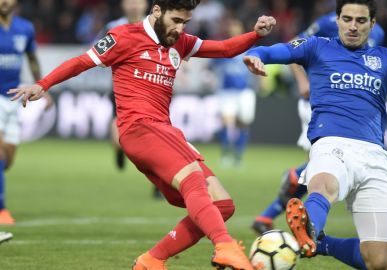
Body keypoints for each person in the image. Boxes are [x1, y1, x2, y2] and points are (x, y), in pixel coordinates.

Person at [8, 1, 276, 269]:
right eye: (176, 20)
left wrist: (255, 35)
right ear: (157, 11)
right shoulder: (123, 37)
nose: (180, 28)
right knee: (193, 179)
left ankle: (152, 260)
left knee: (223, 204)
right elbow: (82, 61)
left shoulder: (180, 42)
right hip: (139, 127)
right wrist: (43, 84)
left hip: (164, 130)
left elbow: (225, 49)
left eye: (186, 22)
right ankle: (225, 246)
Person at [243, 0, 387, 269]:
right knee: (323, 185)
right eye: (347, 19)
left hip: (375, 157)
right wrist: (258, 56)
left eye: (360, 20)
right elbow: (276, 51)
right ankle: (308, 230)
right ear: (337, 20)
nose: (353, 26)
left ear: (372, 24)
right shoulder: (316, 47)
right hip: (331, 143)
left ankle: (319, 243)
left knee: (379, 262)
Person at [252, 7, 385, 235]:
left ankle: (272, 210)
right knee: (325, 164)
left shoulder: (378, 33)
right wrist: (303, 81)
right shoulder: (327, 23)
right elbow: (295, 43)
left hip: (351, 106)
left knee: (325, 166)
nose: (353, 24)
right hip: (319, 102)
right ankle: (299, 204)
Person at [0, 0, 52, 225]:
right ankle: (2, 209)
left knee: (7, 160)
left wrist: (43, 86)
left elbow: (31, 59)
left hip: (13, 98)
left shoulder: (25, 29)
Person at [95, 0, 148, 171]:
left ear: (146, 4)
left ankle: (159, 180)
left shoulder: (156, 26)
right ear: (123, 5)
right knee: (118, 132)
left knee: (155, 136)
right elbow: (97, 53)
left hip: (152, 87)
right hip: (122, 89)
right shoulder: (112, 27)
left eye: (138, 1)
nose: (134, 5)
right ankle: (119, 150)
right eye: (130, 1)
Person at [212, 17, 257, 167]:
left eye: (236, 27)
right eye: (231, 27)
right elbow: (212, 66)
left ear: (241, 30)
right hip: (227, 91)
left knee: (243, 123)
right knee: (226, 122)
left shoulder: (249, 48)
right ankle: (226, 154)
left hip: (245, 91)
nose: (233, 30)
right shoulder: (224, 47)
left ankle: (238, 156)